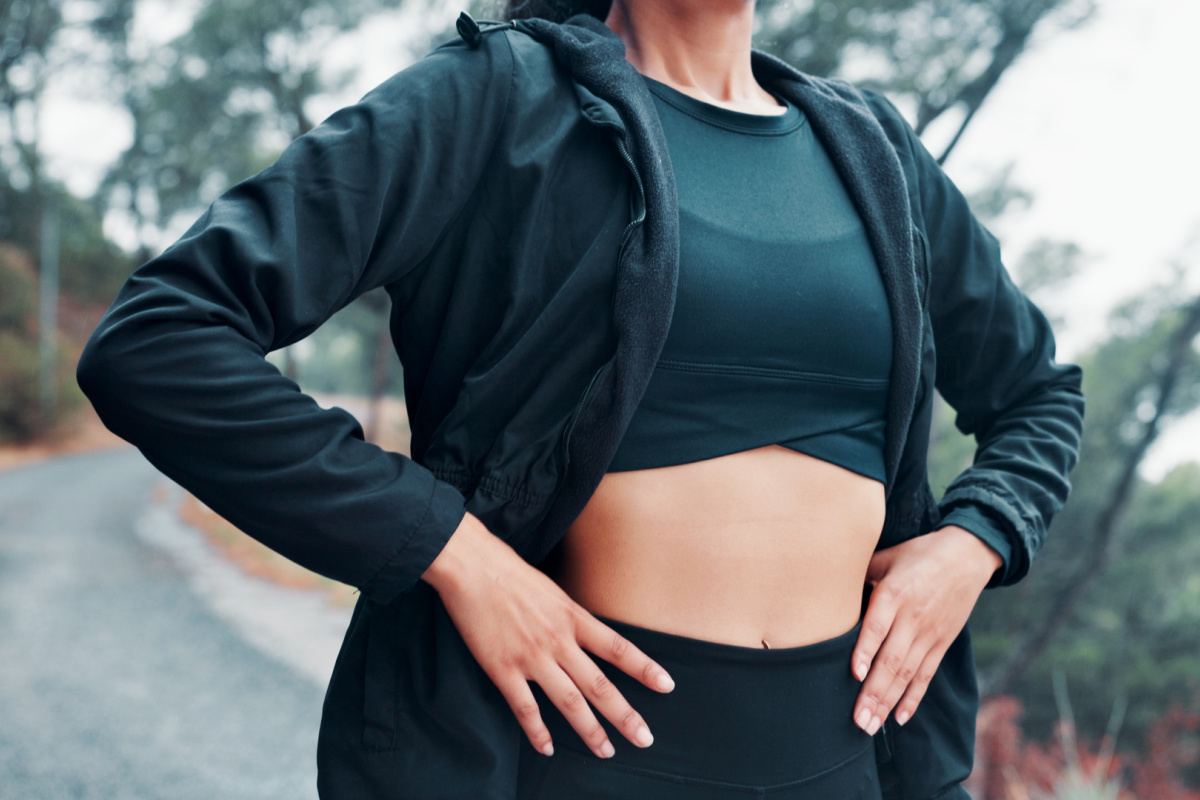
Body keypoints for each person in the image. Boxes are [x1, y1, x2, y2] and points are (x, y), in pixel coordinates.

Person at [76, 0, 1085, 797]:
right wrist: (453, 551)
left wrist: (975, 538)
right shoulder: (493, 101)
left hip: (855, 752)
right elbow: (161, 339)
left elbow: (1038, 393)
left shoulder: (877, 154)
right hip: (566, 752)